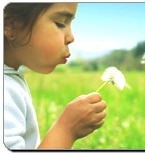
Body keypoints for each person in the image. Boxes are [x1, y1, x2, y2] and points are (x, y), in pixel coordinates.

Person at [4, 3, 107, 150]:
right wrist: (66, 130)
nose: (71, 38)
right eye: (60, 24)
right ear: (11, 26)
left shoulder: (11, 78)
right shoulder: (5, 90)